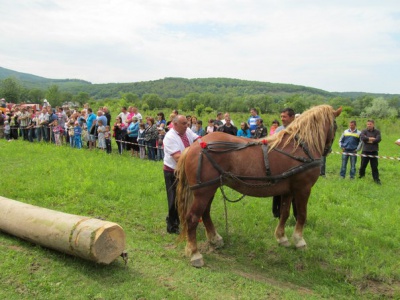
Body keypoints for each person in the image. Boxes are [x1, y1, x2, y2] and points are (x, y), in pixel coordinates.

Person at [163, 115, 200, 234]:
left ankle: (184, 219)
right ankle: (172, 225)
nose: (187, 125)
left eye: (187, 123)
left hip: (186, 169)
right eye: (183, 123)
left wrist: (206, 142)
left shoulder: (187, 131)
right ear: (175, 124)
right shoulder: (169, 137)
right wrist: (196, 156)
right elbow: (178, 157)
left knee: (186, 196)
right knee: (174, 198)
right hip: (173, 171)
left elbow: (198, 139)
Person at [272, 108, 296, 219]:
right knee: (277, 188)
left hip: (294, 165)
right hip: (280, 163)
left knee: (295, 192)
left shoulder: (298, 129)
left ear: (292, 117)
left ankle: (296, 214)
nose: (282, 119)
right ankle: (277, 212)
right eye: (281, 116)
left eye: (284, 117)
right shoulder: (279, 130)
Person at [358, 120, 382, 184]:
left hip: (374, 151)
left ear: (373, 124)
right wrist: (372, 139)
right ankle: (361, 176)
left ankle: (376, 180)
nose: (369, 125)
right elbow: (363, 138)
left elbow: (378, 139)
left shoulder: (377, 131)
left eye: (370, 124)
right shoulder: (364, 131)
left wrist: (368, 139)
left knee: (374, 167)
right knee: (363, 165)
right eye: (368, 124)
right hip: (365, 151)